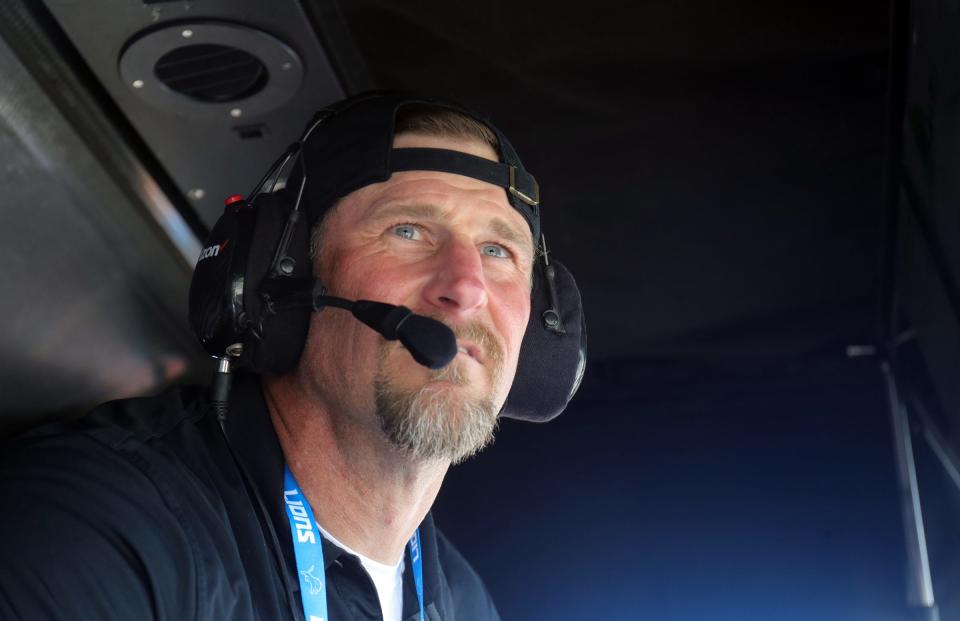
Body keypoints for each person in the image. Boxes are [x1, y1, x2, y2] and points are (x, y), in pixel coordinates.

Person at [0, 92, 585, 621]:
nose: (466, 285)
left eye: (497, 249)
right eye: (408, 231)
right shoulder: (96, 526)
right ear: (281, 285)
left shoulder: (464, 603)